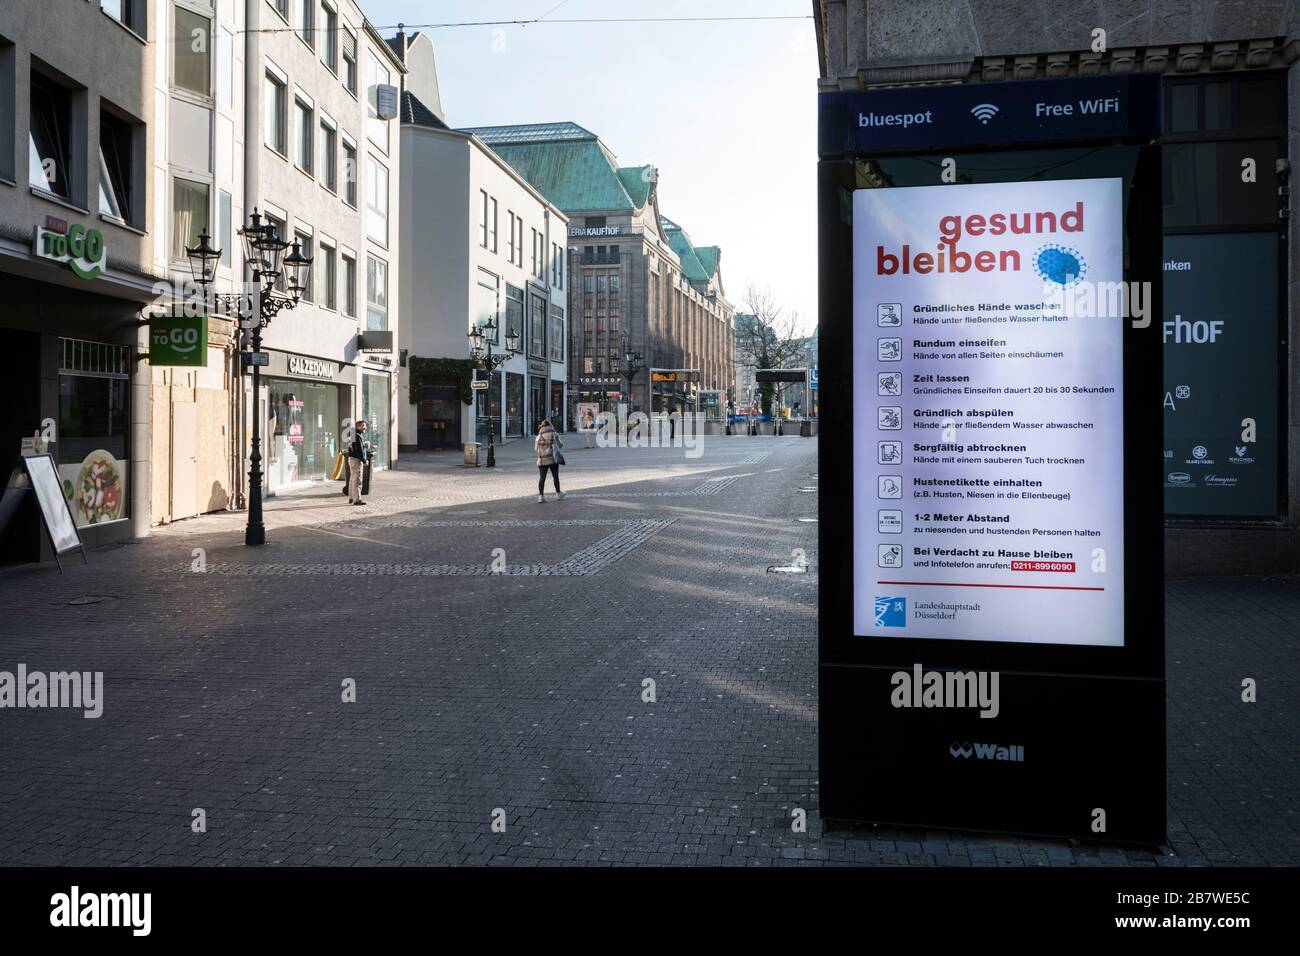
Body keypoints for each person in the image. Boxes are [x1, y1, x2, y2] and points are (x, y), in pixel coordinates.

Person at [535, 418, 564, 502]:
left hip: (542, 460)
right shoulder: (554, 433)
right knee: (555, 477)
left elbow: (536, 449)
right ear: (550, 425)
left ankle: (541, 496)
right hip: (552, 459)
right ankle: (558, 494)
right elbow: (560, 445)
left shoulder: (538, 436)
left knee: (542, 478)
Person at [347, 420, 370, 505]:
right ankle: (357, 500)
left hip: (352, 459)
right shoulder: (357, 436)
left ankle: (351, 497)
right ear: (358, 427)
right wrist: (364, 460)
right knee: (357, 480)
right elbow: (359, 450)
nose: (365, 427)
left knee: (352, 479)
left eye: (365, 426)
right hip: (356, 460)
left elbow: (354, 447)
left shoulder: (353, 435)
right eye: (363, 426)